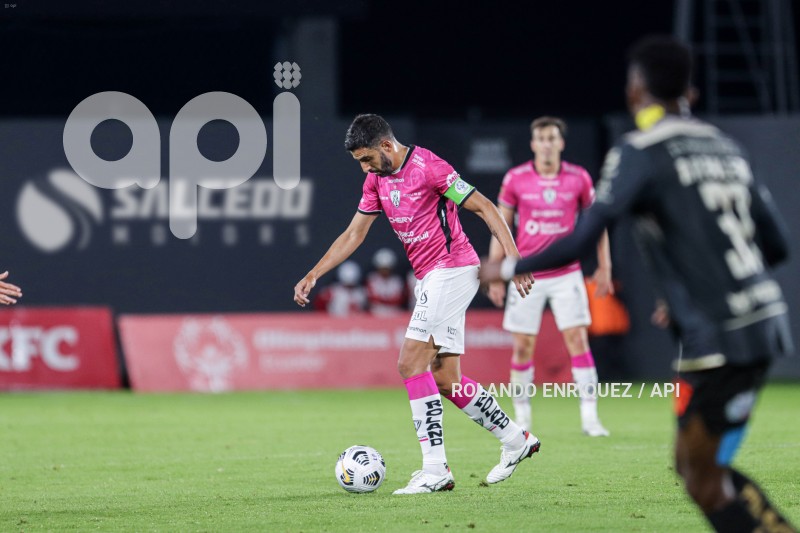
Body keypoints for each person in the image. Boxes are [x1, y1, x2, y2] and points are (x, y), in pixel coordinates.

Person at [481, 36, 795, 532]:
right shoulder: (725, 146)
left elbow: (580, 240)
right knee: (699, 468)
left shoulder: (641, 150)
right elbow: (776, 246)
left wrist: (499, 269)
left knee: (701, 471)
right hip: (761, 324)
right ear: (689, 91)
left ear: (635, 91)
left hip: (719, 338)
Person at [294, 114, 539, 494]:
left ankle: (435, 469)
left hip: (452, 268)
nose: (364, 168)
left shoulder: (429, 168)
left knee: (410, 362)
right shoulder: (376, 180)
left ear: (386, 146)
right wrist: (315, 272)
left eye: (366, 159)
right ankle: (515, 439)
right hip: (433, 276)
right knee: (445, 378)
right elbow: (354, 233)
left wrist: (513, 261)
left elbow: (487, 208)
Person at [487, 116, 613, 437]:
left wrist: (605, 266)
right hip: (527, 274)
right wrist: (497, 273)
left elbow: (597, 224)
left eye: (551, 138)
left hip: (566, 272)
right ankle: (523, 419)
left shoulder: (579, 178)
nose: (546, 144)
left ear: (561, 143)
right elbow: (501, 226)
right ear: (533, 144)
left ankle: (590, 418)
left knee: (577, 340)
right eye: (541, 138)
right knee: (523, 346)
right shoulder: (516, 179)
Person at [365, 248, 407, 315]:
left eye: (386, 269)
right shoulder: (372, 279)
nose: (384, 271)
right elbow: (371, 298)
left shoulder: (397, 280)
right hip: (377, 310)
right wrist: (386, 300)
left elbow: (400, 298)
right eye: (382, 268)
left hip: (394, 310)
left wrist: (384, 300)